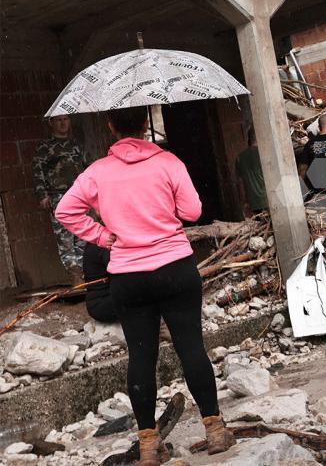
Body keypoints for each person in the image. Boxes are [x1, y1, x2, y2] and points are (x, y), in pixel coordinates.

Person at [55, 106, 234, 465]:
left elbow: (65, 211)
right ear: (145, 123)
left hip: (129, 277)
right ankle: (214, 430)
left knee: (141, 357)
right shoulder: (168, 162)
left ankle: (149, 444)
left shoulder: (96, 173)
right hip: (176, 268)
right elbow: (193, 212)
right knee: (191, 348)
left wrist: (103, 237)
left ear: (110, 126)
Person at [32, 114, 88, 281]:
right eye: (59, 120)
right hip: (58, 198)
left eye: (66, 119)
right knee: (65, 238)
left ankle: (86, 275)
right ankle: (76, 277)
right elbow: (37, 171)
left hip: (79, 196)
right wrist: (42, 195)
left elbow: (87, 168)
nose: (63, 123)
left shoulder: (76, 145)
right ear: (51, 123)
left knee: (82, 236)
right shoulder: (44, 147)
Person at [235, 128, 268, 217]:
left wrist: (245, 203)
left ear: (249, 139)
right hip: (269, 202)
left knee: (262, 230)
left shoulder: (239, 158)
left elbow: (240, 183)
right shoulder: (265, 153)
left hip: (253, 205)